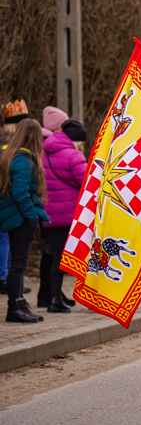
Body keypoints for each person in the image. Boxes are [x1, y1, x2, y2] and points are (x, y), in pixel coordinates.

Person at [0, 119, 50, 324]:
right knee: (18, 265)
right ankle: (15, 306)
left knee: (17, 264)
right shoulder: (23, 160)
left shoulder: (11, 156)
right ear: (34, 136)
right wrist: (31, 217)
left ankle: (19, 304)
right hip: (21, 218)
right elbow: (21, 193)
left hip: (15, 216)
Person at [37, 120, 87, 312]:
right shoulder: (74, 156)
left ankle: (52, 296)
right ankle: (56, 300)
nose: (82, 145)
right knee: (64, 259)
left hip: (49, 216)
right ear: (75, 140)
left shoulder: (43, 152)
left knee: (54, 256)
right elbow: (86, 182)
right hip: (68, 215)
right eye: (81, 142)